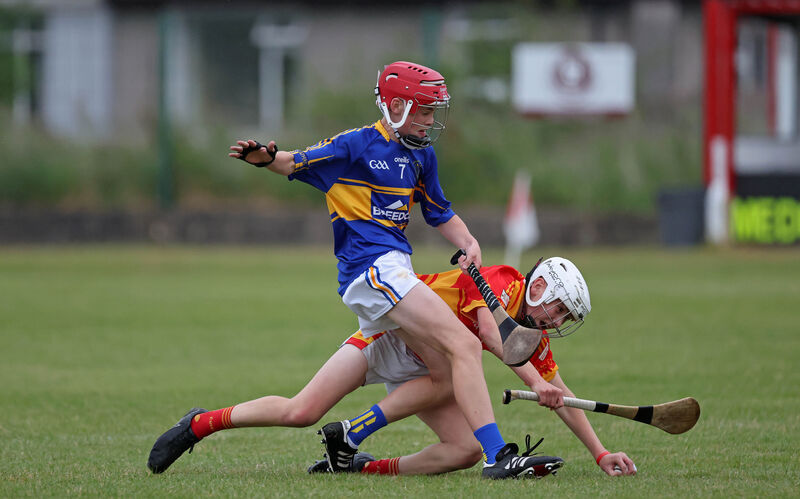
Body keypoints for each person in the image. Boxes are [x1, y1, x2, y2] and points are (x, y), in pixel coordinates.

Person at [149, 61, 538, 479]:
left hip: (392, 279)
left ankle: (200, 424)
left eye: (433, 111)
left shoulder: (422, 156)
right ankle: (499, 456)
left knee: (305, 410)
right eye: (424, 110)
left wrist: (468, 241)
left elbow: (440, 212)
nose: (430, 120)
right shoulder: (355, 145)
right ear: (397, 106)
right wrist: (265, 158)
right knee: (462, 345)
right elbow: (293, 161)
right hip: (373, 272)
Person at [147, 257, 637, 478]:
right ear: (539, 288)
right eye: (557, 308)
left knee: (462, 449)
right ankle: (199, 424)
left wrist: (599, 452)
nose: (557, 320)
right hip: (388, 336)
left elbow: (561, 392)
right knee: (301, 411)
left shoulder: (534, 337)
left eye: (565, 318)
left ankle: (358, 464)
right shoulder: (501, 281)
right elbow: (489, 336)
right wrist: (534, 381)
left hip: (430, 367)